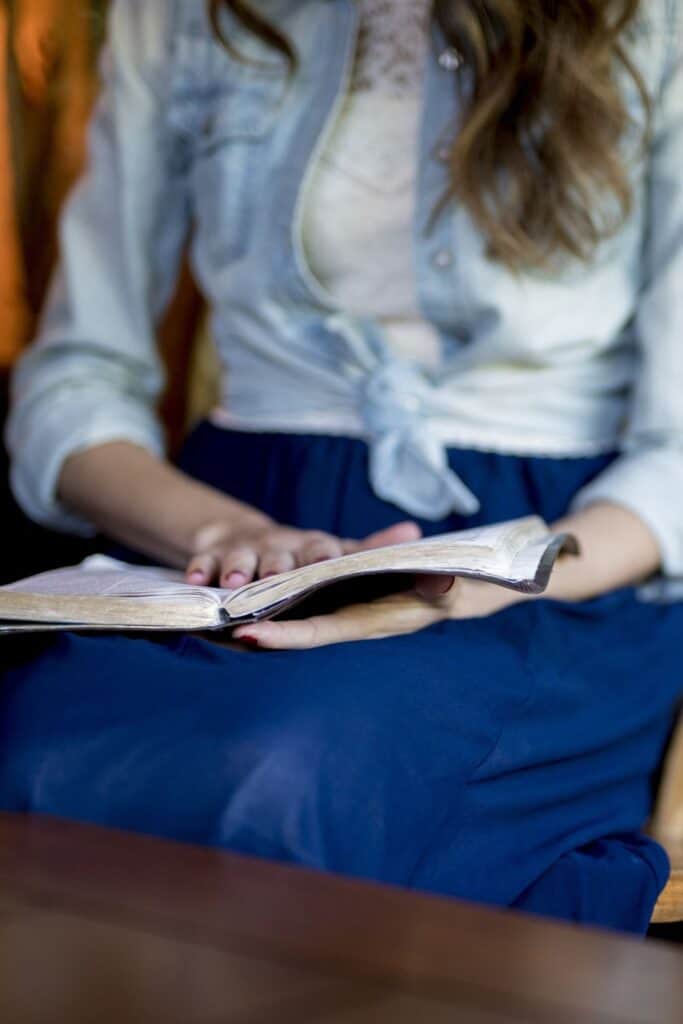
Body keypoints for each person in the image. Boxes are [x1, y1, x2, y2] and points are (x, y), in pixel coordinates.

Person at [2, 0, 682, 933]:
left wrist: (476, 582)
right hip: (231, 540)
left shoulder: (653, 26)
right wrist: (220, 531)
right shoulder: (176, 15)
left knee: (286, 769)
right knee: (38, 742)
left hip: (551, 568)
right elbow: (77, 379)